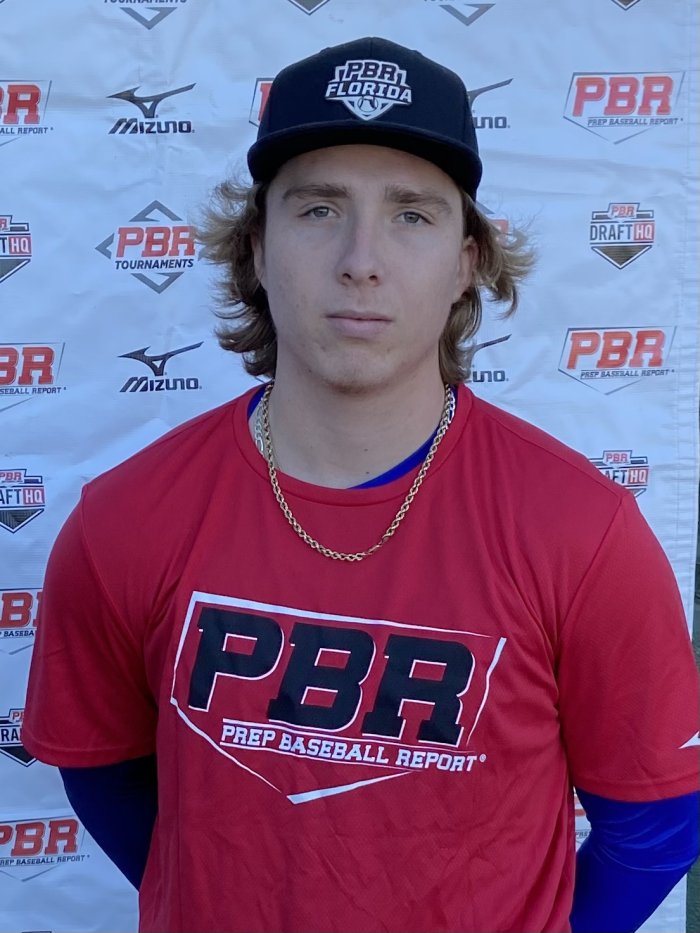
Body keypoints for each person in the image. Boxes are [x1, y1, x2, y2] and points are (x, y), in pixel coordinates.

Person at [23, 36, 698, 933]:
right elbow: (103, 767)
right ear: (257, 248)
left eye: (412, 214)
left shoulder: (582, 529)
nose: (361, 259)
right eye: (319, 209)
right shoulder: (127, 517)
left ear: (467, 262)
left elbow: (657, 821)